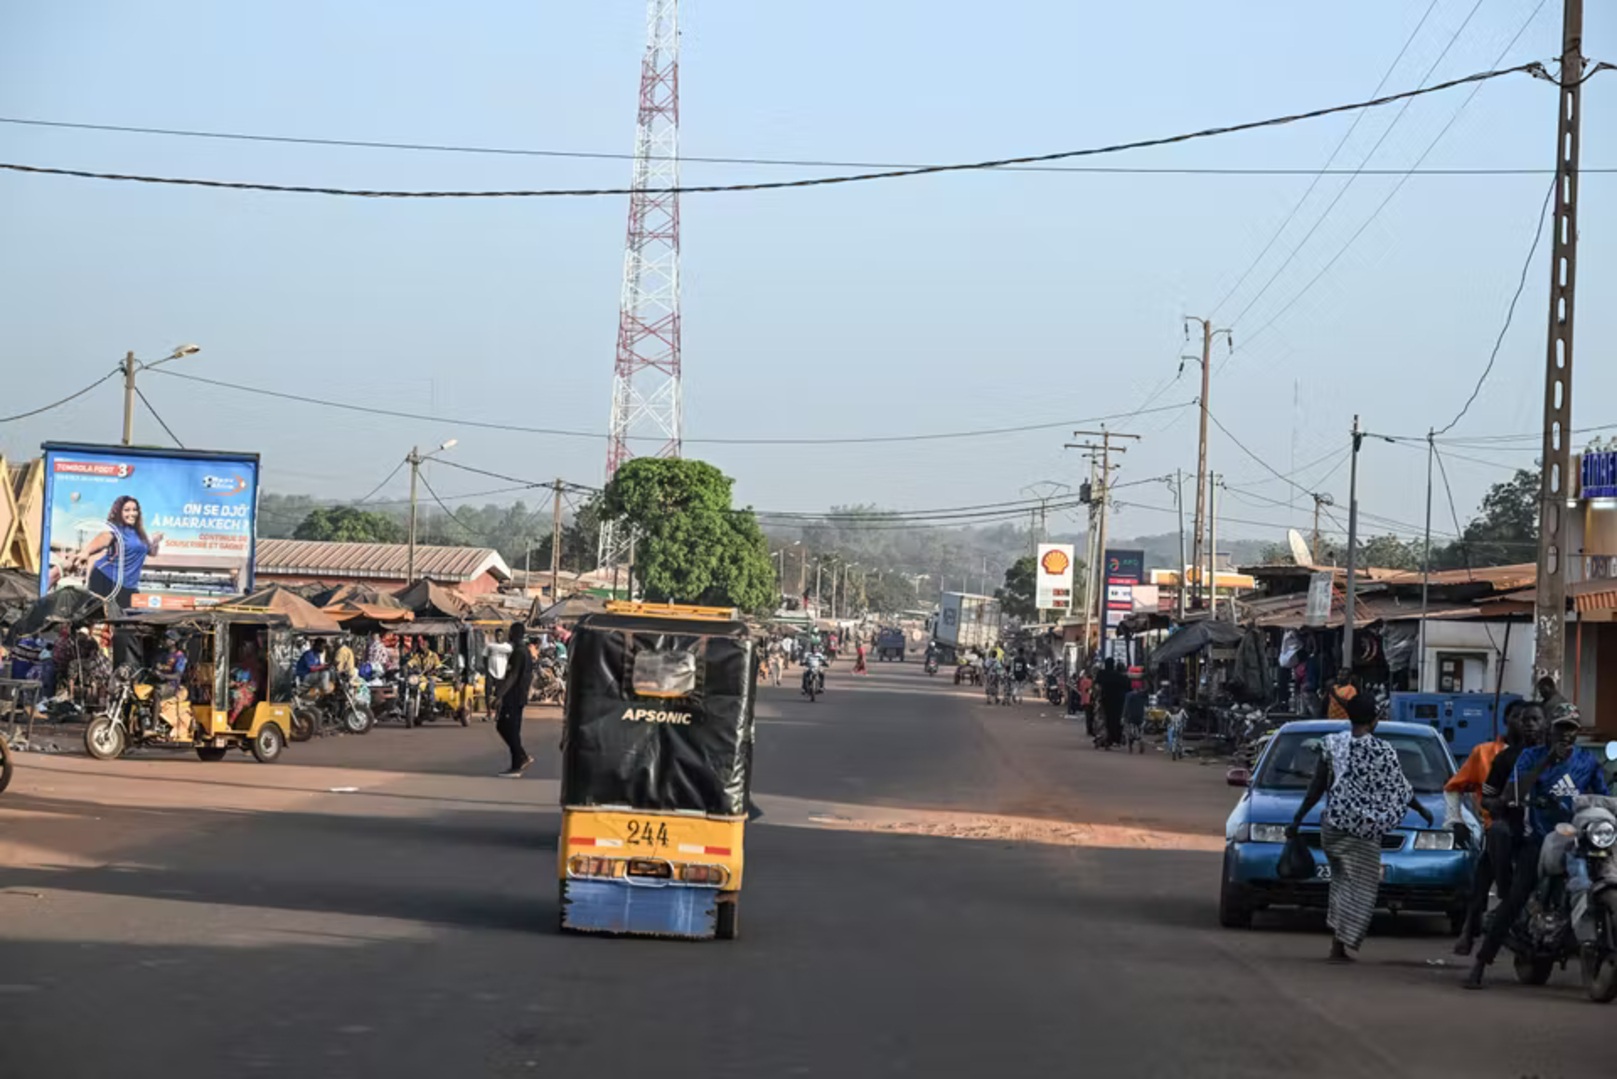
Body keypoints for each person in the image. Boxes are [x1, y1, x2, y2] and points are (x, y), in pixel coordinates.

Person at [1463, 701, 1609, 988]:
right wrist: (1548, 761)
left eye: (1571, 729)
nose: (1566, 735)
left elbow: (1602, 796)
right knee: (1515, 897)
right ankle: (1481, 963)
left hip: (1578, 837)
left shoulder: (1587, 762)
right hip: (1540, 838)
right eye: (1560, 728)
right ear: (1550, 730)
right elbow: (1513, 792)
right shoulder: (1530, 757)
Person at [1289, 693, 1434, 961]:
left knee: (1341, 882)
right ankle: (1341, 941)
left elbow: (1316, 786)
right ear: (1375, 720)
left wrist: (1298, 817)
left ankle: (1337, 941)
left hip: (1334, 825)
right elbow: (1399, 788)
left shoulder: (1332, 745)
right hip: (1365, 830)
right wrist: (1421, 809)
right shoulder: (1383, 750)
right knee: (1360, 888)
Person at [1446, 700, 1542, 955]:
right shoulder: (1489, 754)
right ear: (1508, 721)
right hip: (1499, 824)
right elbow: (1457, 788)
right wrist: (1456, 820)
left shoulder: (1549, 756)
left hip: (1539, 826)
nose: (1527, 724)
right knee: (1483, 876)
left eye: (1533, 719)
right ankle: (1471, 928)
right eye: (1521, 718)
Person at [73, 496, 164, 610]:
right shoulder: (115, 529)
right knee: (101, 616)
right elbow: (103, 538)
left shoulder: (139, 532)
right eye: (127, 510)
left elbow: (152, 553)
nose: (132, 513)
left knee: (126, 620)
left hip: (129, 585)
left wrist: (155, 541)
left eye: (134, 510)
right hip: (106, 578)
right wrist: (86, 552)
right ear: (119, 512)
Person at [491, 620, 534, 777]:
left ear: (514, 634)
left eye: (510, 632)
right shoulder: (523, 651)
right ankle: (518, 761)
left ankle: (520, 758)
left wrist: (499, 695)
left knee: (506, 727)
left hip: (514, 696)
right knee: (510, 729)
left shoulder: (520, 652)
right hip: (518, 695)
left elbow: (513, 676)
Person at [1098, 659, 1129, 748]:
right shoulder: (1119, 676)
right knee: (1117, 719)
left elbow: (1097, 684)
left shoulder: (1103, 674)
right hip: (1119, 701)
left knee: (1108, 719)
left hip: (1106, 699)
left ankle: (1110, 737)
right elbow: (1128, 686)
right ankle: (1116, 738)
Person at [484, 628, 512, 719]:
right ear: (495, 636)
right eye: (497, 635)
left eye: (500, 635)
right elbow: (484, 657)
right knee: (487, 693)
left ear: (503, 636)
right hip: (490, 672)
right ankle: (489, 713)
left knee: (500, 694)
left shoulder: (508, 647)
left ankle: (498, 714)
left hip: (502, 673)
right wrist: (486, 669)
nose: (499, 637)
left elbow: (511, 658)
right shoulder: (490, 646)